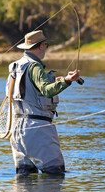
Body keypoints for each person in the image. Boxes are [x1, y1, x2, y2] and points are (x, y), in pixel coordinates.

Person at [6, 30, 80, 174]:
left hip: (17, 131)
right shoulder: (35, 66)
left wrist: (57, 80)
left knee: (24, 182)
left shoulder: (16, 66)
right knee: (55, 174)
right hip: (38, 129)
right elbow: (47, 91)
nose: (45, 47)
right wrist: (67, 81)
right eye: (45, 45)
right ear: (41, 46)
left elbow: (27, 91)